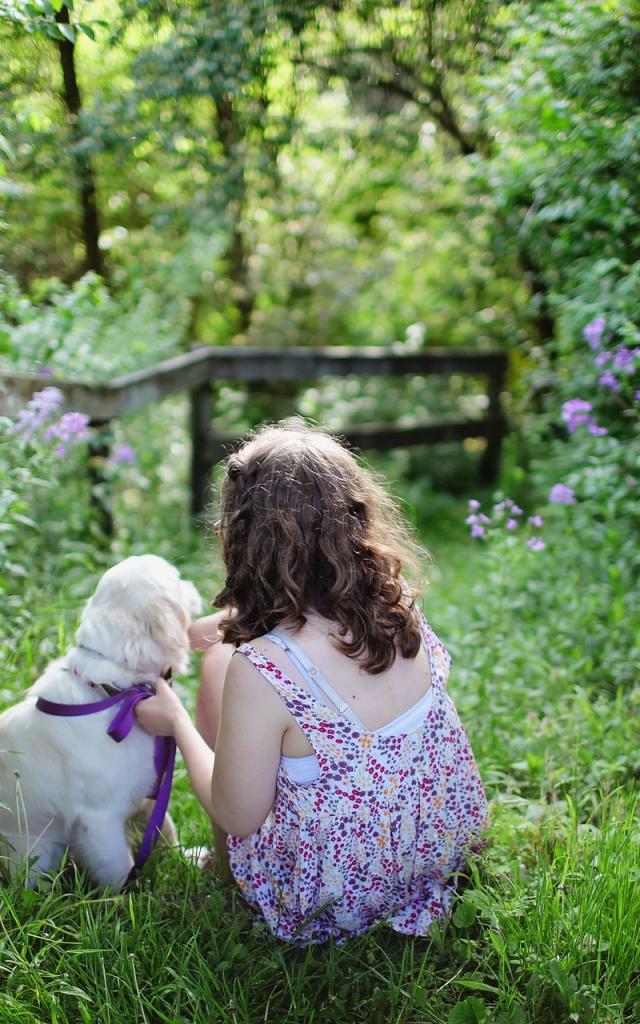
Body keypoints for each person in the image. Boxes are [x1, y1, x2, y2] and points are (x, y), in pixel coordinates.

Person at [136, 422, 488, 943]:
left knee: (216, 666)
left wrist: (178, 724)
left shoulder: (260, 669)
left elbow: (239, 814)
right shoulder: (398, 606)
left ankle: (227, 871)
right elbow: (293, 628)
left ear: (237, 539)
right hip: (435, 854)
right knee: (220, 655)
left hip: (331, 896)